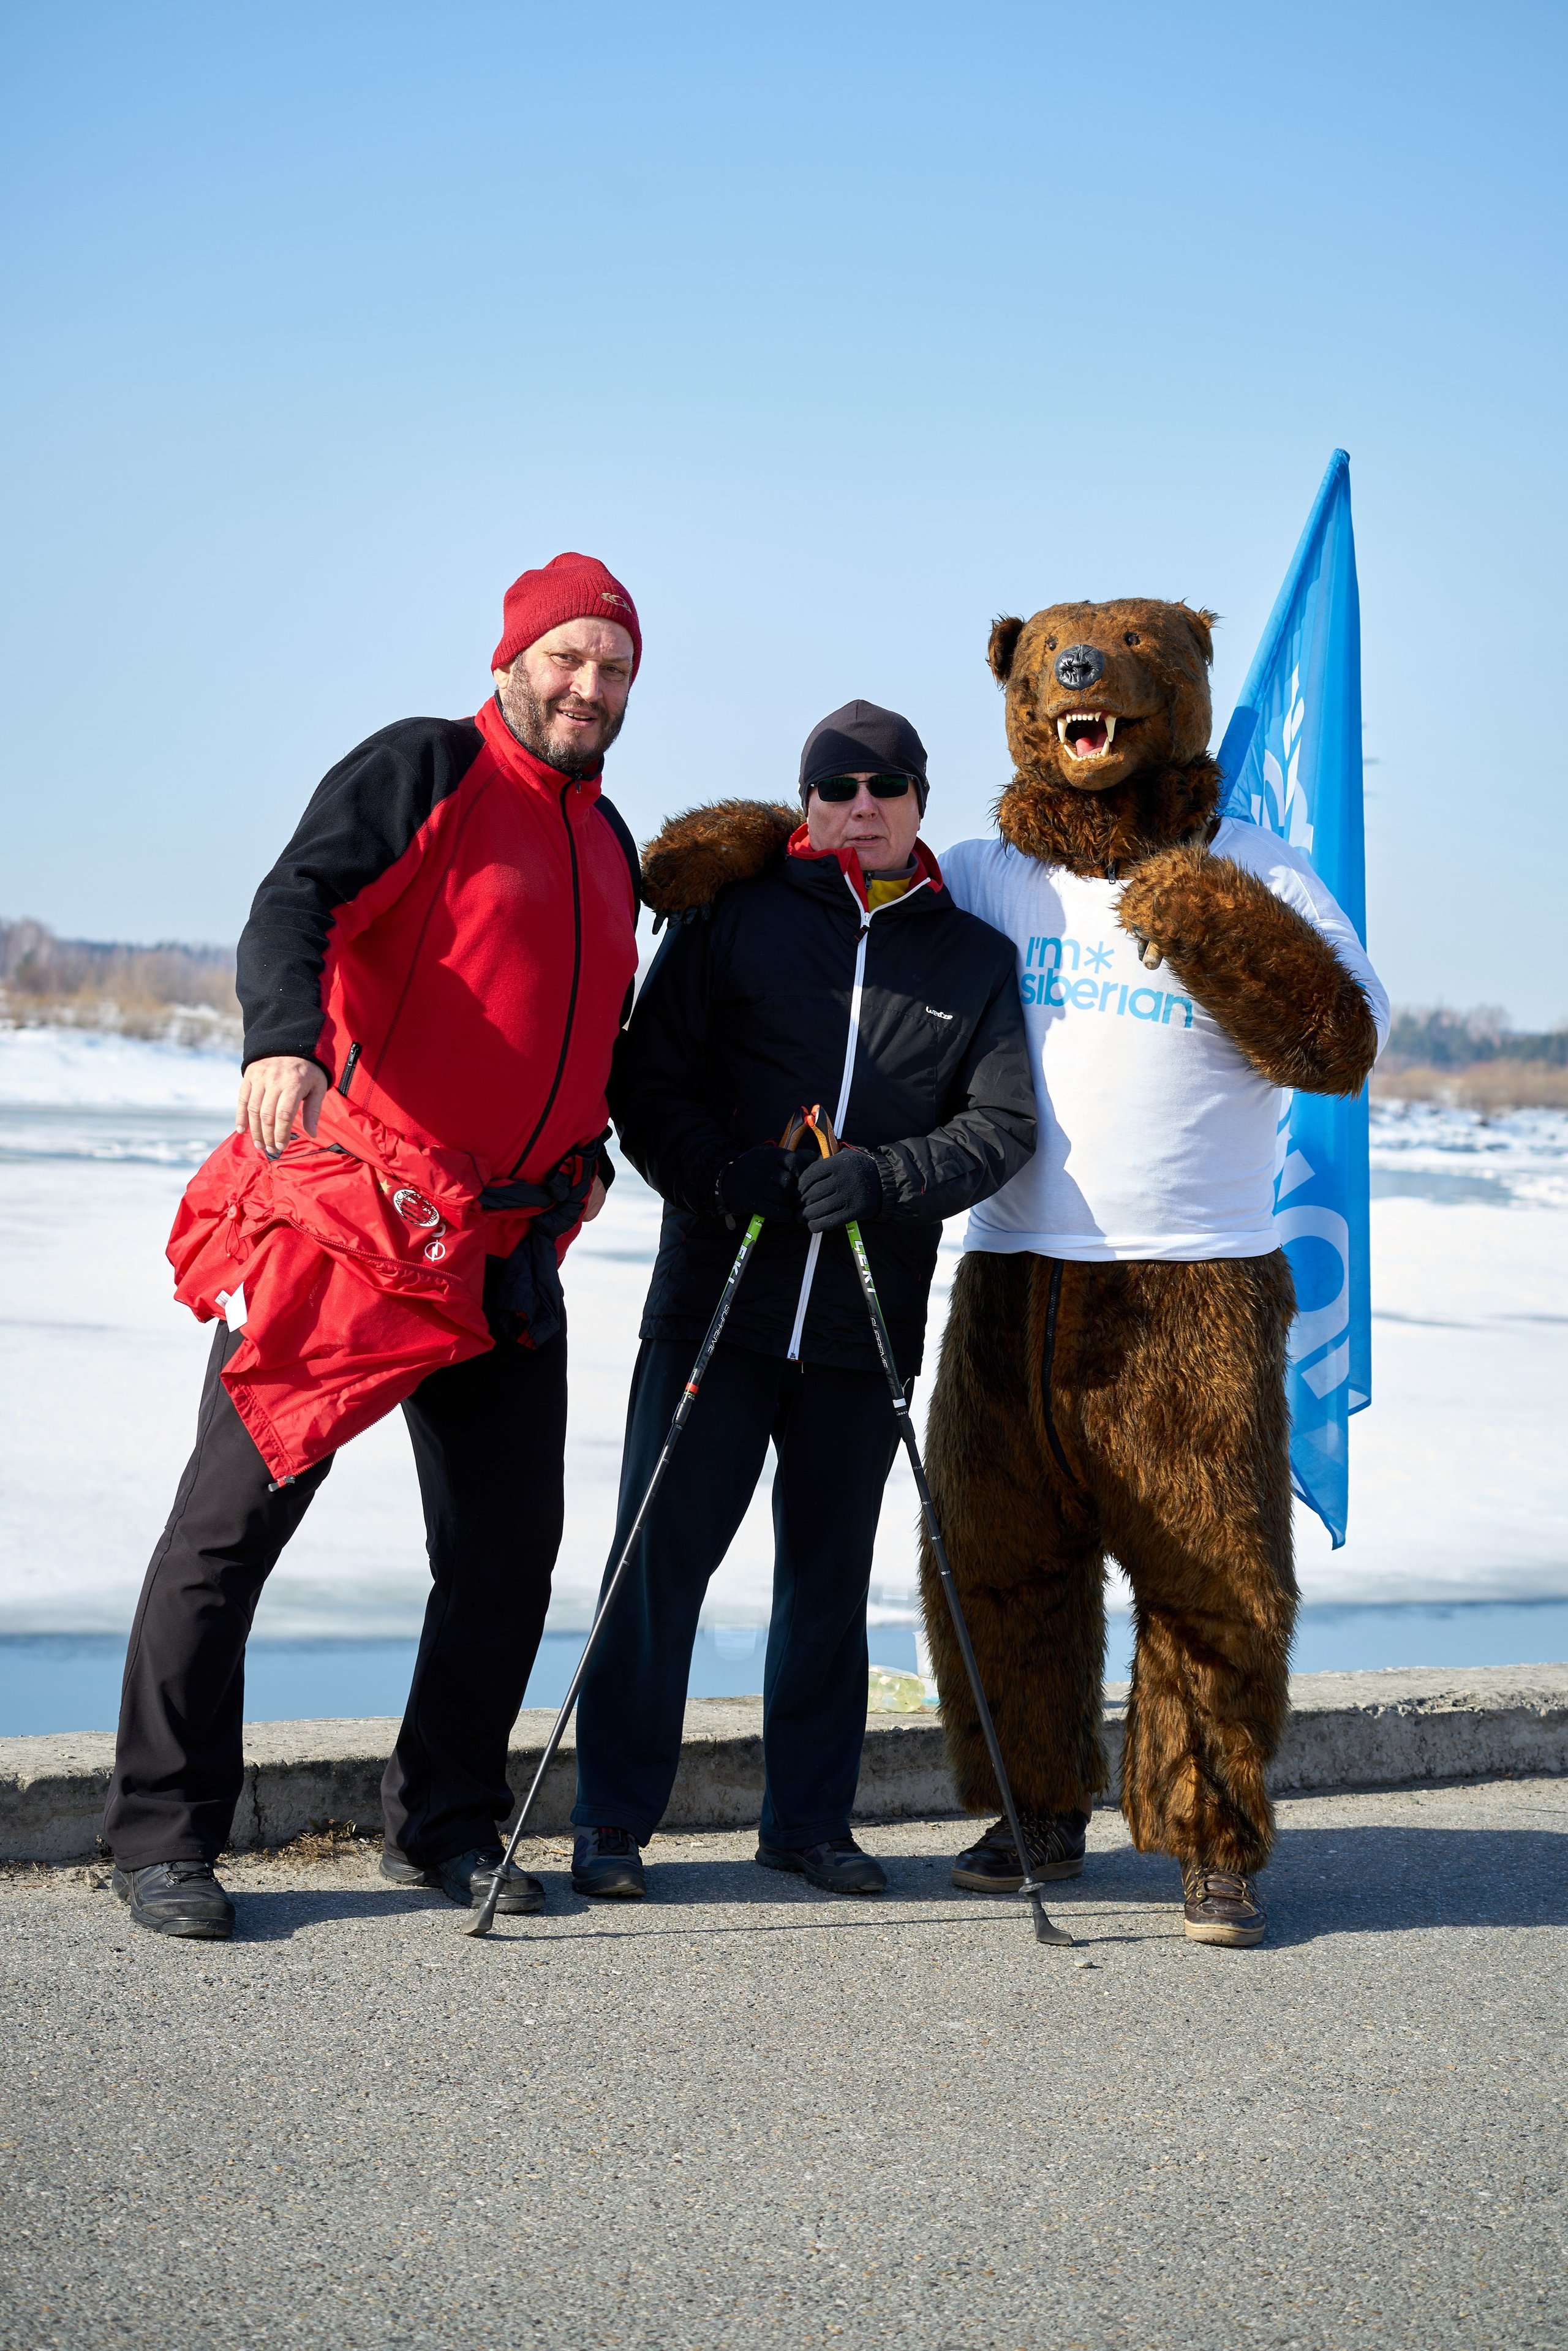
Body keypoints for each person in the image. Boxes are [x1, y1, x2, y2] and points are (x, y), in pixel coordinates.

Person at [104, 554, 644, 1939]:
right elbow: (295, 903)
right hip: (354, 1224)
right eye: (568, 658)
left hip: (507, 1249)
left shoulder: (606, 836)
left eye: (615, 667)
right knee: (226, 1531)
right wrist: (281, 1036)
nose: (589, 687)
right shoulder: (425, 769)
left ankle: (445, 1823)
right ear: (513, 658)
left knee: (506, 1549)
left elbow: (574, 1027)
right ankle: (165, 1835)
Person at [567, 700, 1037, 1900]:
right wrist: (729, 1174)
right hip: (716, 1304)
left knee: (825, 1581)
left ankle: (807, 1823)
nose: (860, 805)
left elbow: (999, 1128)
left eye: (885, 785)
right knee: (658, 1563)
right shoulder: (735, 917)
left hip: (858, 1320)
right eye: (837, 786)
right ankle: (612, 1822)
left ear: (920, 802)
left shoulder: (969, 957)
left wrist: (881, 1175)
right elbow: (646, 1076)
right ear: (807, 801)